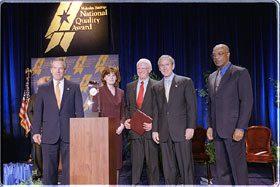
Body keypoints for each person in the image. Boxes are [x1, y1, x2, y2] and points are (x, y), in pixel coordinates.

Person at [32, 58, 84, 185]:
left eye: (60, 68)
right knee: (49, 171)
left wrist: (79, 132)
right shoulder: (43, 88)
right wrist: (36, 132)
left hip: (69, 135)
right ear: (51, 70)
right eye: (55, 68)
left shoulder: (74, 87)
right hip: (49, 135)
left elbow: (80, 113)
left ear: (65, 70)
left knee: (69, 170)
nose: (58, 70)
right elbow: (38, 112)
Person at [206, 44, 253, 185]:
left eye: (220, 54)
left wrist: (241, 127)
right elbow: (210, 104)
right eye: (214, 55)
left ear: (228, 54)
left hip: (234, 129)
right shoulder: (212, 77)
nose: (216, 57)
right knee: (221, 169)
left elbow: (246, 101)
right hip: (217, 131)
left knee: (238, 168)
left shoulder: (240, 72)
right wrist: (209, 126)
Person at [152, 55, 197, 184]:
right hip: (164, 132)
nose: (164, 67)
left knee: (185, 166)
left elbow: (191, 107)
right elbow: (156, 111)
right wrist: (155, 130)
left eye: (167, 64)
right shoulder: (156, 87)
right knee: (168, 168)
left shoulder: (185, 81)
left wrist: (191, 127)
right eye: (161, 65)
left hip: (182, 131)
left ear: (173, 66)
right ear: (159, 68)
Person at [124, 58, 160, 184]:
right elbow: (127, 107)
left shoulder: (157, 85)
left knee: (152, 165)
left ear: (149, 70)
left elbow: (160, 109)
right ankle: (135, 184)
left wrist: (154, 125)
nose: (140, 70)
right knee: (136, 164)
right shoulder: (130, 86)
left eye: (143, 67)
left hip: (150, 131)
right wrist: (126, 120)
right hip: (135, 131)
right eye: (138, 68)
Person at [92, 66, 125, 183]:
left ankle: (114, 183)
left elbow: (124, 112)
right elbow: (94, 111)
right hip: (103, 131)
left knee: (116, 160)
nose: (111, 77)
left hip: (118, 130)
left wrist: (122, 125)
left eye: (113, 75)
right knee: (104, 159)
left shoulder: (121, 92)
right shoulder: (98, 91)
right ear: (104, 77)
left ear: (116, 78)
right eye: (108, 75)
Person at [27, 77, 48, 180]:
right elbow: (29, 111)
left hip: (50, 130)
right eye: (39, 85)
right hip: (36, 130)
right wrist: (36, 125)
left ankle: (49, 173)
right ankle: (38, 174)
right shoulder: (33, 97)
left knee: (49, 152)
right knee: (37, 153)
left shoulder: (52, 97)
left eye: (42, 85)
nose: (40, 87)